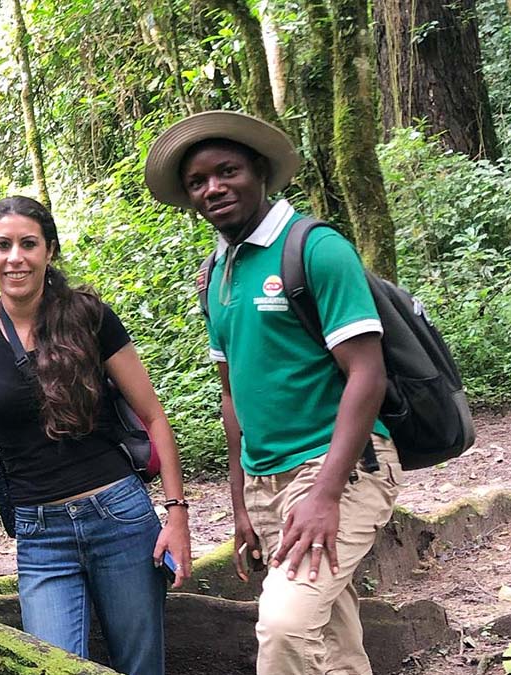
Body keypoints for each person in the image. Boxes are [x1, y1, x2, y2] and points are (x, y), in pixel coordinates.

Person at [144, 110, 401, 674]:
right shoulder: (216, 273)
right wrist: (241, 501)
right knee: (331, 634)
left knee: (284, 624)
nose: (213, 188)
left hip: (339, 467)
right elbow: (232, 396)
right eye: (197, 182)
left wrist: (326, 494)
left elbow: (367, 374)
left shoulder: (313, 247)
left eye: (227, 171)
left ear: (259, 171)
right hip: (265, 480)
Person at [0, 196, 192, 675]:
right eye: (2, 245)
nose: (15, 257)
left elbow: (153, 416)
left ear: (49, 250)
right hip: (38, 531)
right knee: (53, 666)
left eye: (28, 244)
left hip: (119, 517)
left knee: (140, 666)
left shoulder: (89, 315)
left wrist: (176, 516)